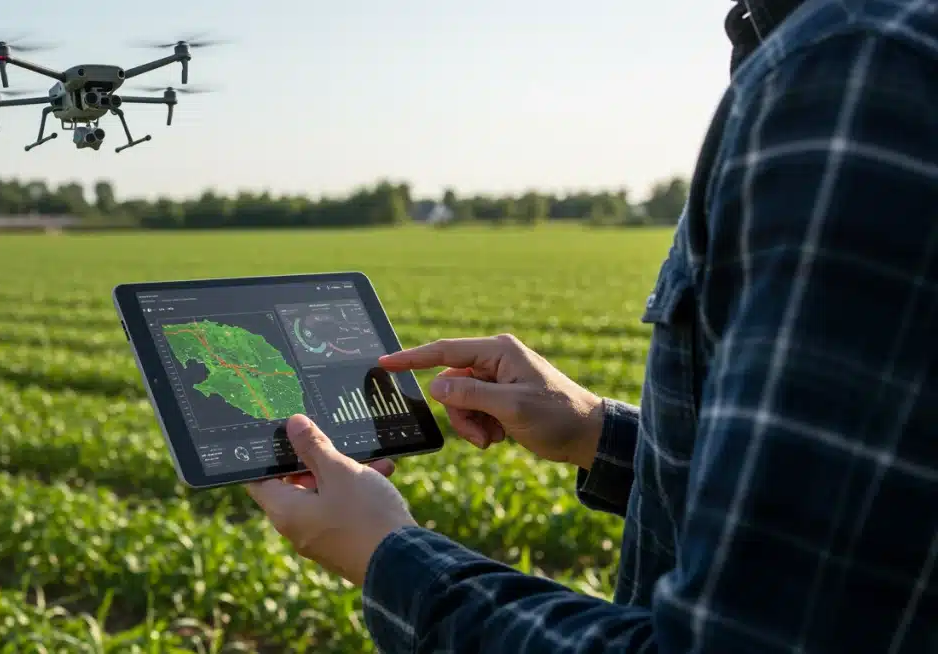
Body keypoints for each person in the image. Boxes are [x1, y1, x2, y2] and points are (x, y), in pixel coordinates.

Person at [245, 0, 938, 651]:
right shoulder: (848, 47)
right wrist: (594, 433)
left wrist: (386, 555)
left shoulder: (854, 65)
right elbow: (858, 519)